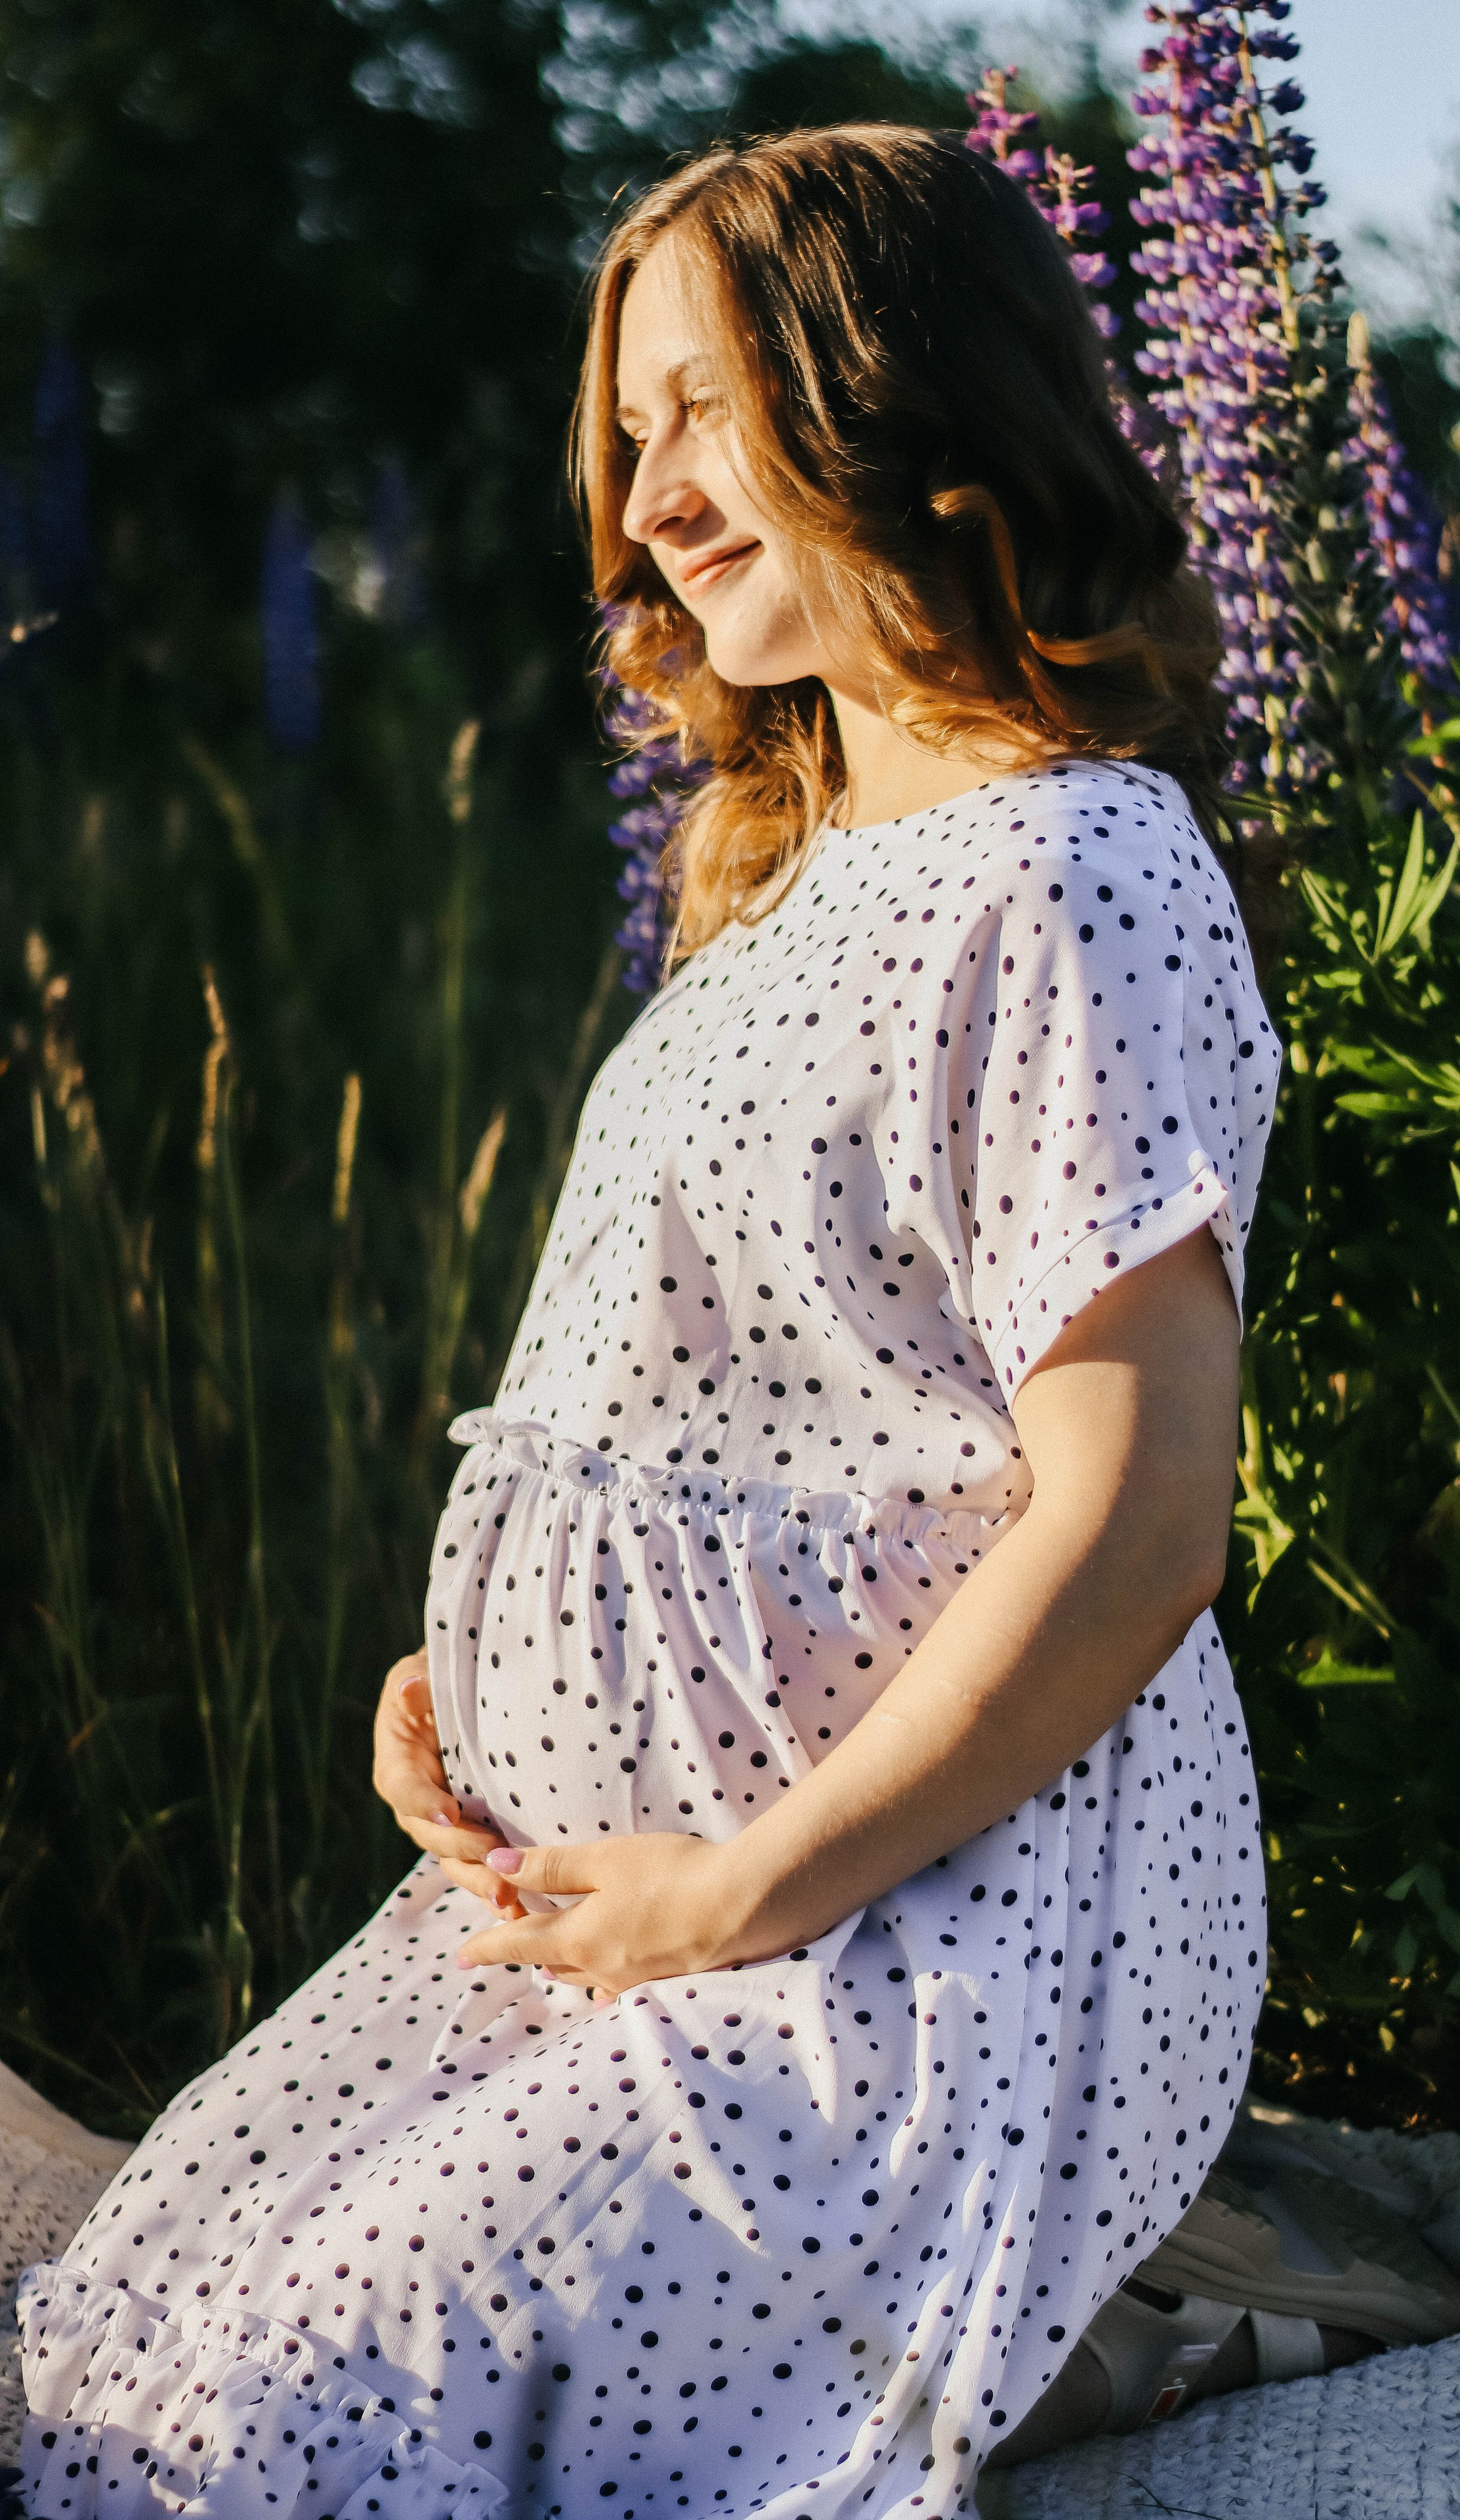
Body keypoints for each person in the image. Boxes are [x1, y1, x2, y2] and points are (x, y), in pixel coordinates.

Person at [18, 126, 1282, 2517]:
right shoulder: (797, 895)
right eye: (629, 428)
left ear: (898, 390)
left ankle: (1085, 2322)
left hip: (911, 1933)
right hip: (639, 1895)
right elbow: (729, 1405)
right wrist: (486, 1688)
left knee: (289, 2451)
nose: (647, 489)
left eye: (706, 406)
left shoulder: (1077, 868)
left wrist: (744, 1882)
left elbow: (1139, 1528)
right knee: (119, 2369)